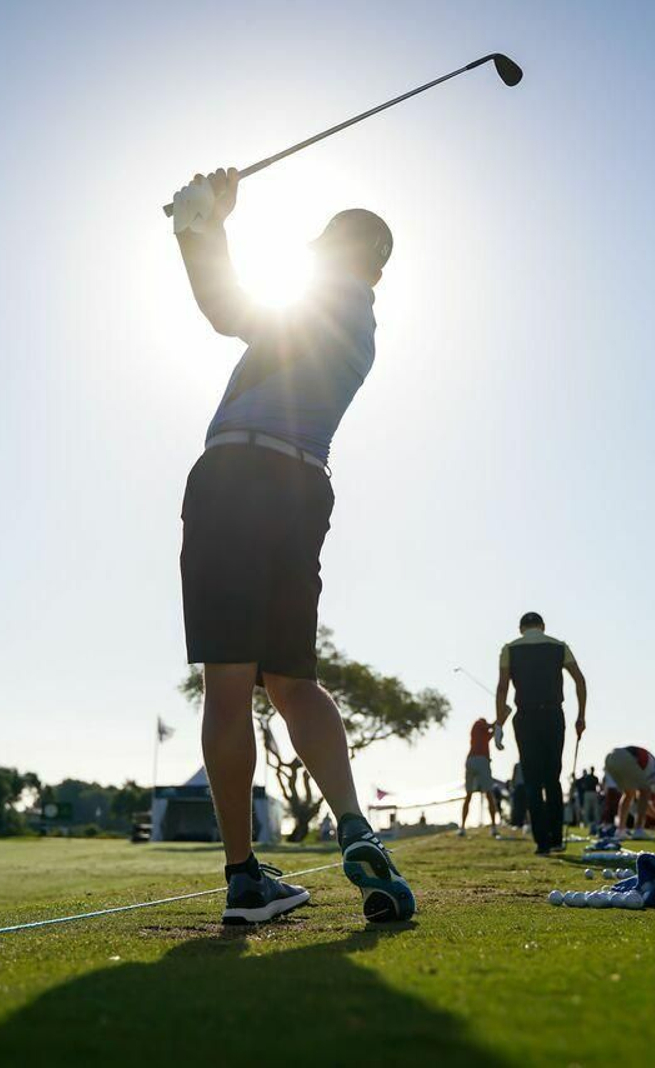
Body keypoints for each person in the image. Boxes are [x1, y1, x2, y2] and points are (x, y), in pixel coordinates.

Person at [171, 167, 414, 924]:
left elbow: (226, 308)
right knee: (292, 681)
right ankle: (353, 824)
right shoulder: (362, 322)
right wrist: (214, 226)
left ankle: (244, 876)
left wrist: (197, 227)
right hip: (304, 489)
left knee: (229, 684)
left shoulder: (322, 299)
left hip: (236, 474)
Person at [494, 612, 588, 855]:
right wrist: (581, 716)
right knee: (553, 778)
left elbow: (502, 687)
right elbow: (580, 680)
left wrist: (499, 724)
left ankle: (542, 844)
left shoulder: (509, 649)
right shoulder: (559, 646)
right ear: (542, 626)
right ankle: (556, 838)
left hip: (525, 718)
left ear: (521, 628)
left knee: (533, 782)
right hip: (553, 716)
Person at [600, 745, 655, 839]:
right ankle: (638, 830)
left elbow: (642, 803)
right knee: (645, 790)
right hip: (623, 757)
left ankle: (620, 830)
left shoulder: (649, 770)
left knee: (629, 794)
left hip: (610, 758)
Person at [460, 717, 500, 837]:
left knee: (470, 795)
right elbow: (492, 726)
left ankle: (463, 828)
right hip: (481, 760)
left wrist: (498, 726)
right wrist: (501, 718)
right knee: (488, 793)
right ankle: (492, 827)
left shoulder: (482, 733)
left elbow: (491, 733)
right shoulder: (478, 723)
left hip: (472, 760)